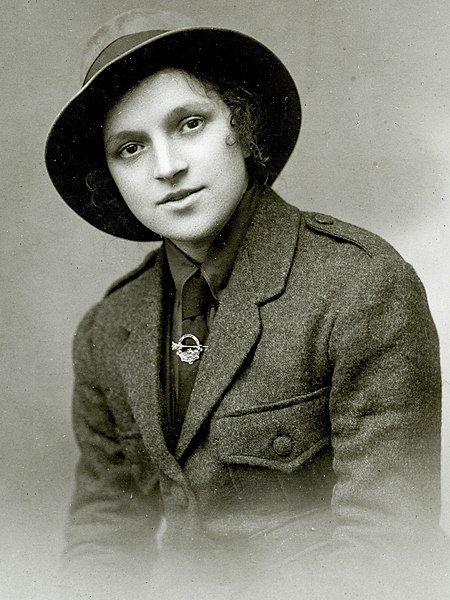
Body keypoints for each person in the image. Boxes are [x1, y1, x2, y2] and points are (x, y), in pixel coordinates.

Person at [45, 9, 448, 600]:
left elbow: (390, 549)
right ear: (108, 176)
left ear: (242, 124)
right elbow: (103, 541)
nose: (167, 167)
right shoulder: (107, 330)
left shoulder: (359, 284)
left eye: (188, 124)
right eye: (130, 148)